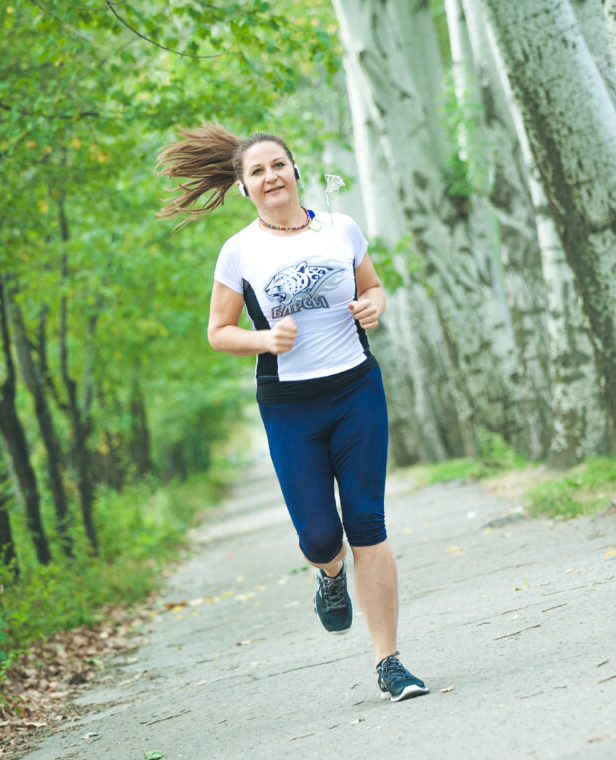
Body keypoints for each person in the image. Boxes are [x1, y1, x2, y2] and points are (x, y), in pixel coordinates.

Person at [156, 125, 428, 702]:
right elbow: (217, 332)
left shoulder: (340, 228)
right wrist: (264, 340)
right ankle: (330, 579)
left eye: (277, 164)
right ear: (242, 186)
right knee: (321, 534)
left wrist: (371, 306)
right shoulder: (239, 251)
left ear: (295, 171)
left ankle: (390, 662)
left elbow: (375, 287)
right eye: (256, 171)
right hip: (289, 406)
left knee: (367, 523)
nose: (270, 176)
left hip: (356, 390)